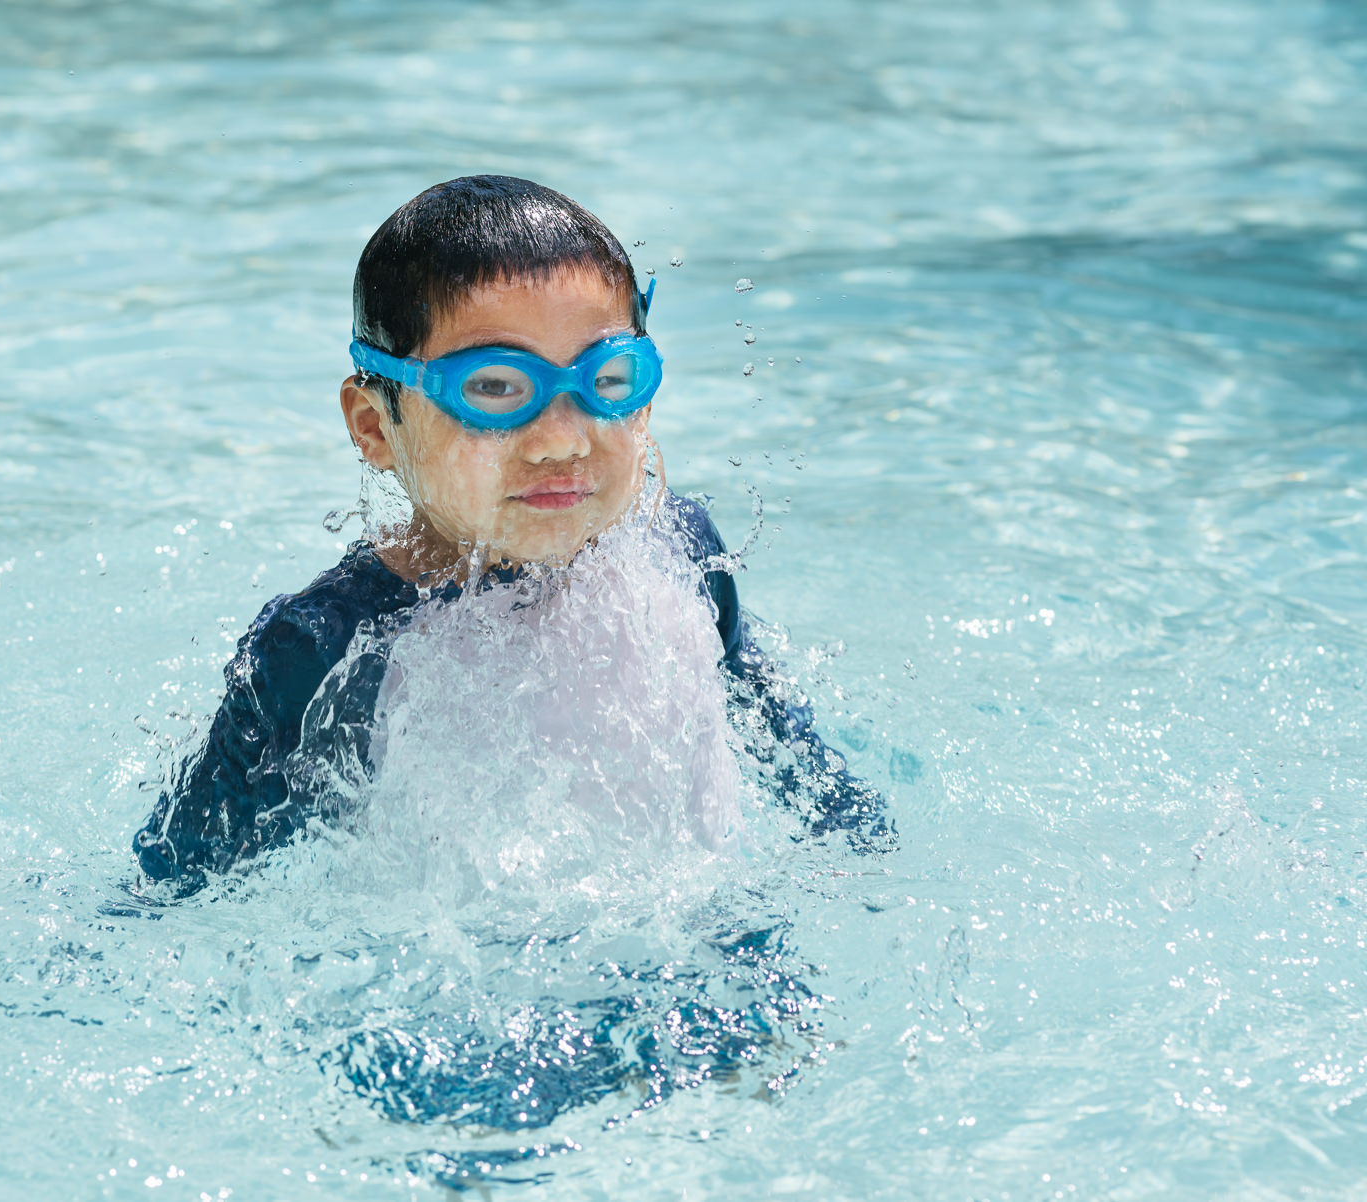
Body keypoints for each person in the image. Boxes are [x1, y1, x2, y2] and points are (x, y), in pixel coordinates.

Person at [133, 175, 889, 892]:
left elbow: (792, 757)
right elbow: (180, 881)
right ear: (375, 427)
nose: (562, 439)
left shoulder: (683, 550)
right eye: (494, 388)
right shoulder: (326, 646)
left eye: (609, 381)